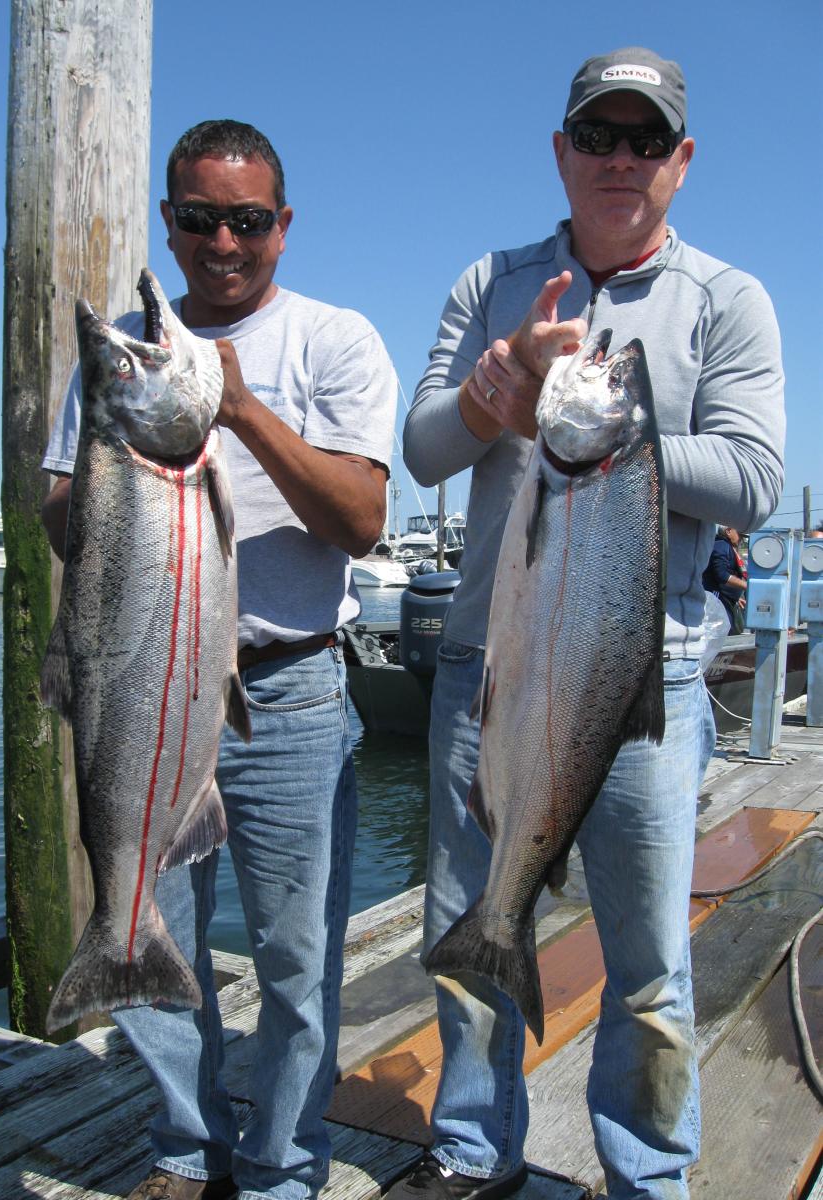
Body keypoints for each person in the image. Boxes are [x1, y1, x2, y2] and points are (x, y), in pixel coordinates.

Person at [390, 47, 784, 1200]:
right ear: (562, 153)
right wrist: (497, 392)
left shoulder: (728, 300)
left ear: (681, 160)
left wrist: (608, 425)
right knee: (473, 928)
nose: (622, 159)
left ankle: (648, 1176)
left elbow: (755, 477)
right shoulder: (491, 282)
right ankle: (474, 1152)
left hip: (646, 675)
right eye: (599, 137)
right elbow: (423, 450)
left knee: (650, 961)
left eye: (645, 139)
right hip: (488, 668)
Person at [41, 120, 397, 1200]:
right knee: (152, 924)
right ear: (171, 222)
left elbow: (362, 519)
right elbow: (60, 517)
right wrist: (119, 455)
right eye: (200, 218)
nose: (223, 241)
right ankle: (186, 1149)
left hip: (290, 694)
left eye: (246, 220)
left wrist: (237, 409)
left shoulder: (335, 340)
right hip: (140, 684)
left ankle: (283, 1166)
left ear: (283, 226)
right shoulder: (122, 359)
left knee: (296, 960)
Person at [702, 527, 748, 633]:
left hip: (726, 599)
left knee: (729, 629)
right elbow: (722, 575)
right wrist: (747, 585)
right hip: (718, 600)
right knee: (722, 631)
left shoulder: (726, 547)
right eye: (740, 534)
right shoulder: (721, 546)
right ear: (728, 531)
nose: (742, 539)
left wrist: (735, 596)